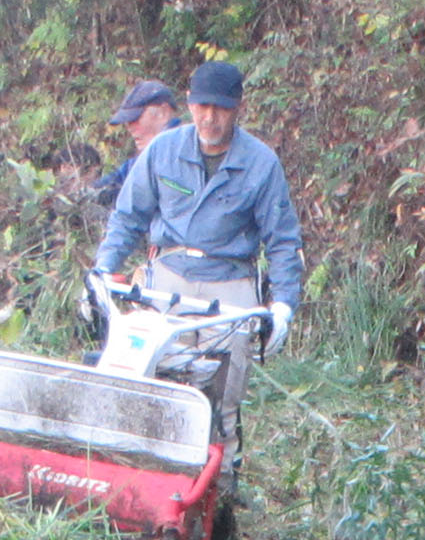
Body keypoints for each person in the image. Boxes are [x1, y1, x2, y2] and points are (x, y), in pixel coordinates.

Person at [94, 61, 303, 354]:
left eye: (221, 108)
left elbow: (282, 240)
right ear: (189, 101)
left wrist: (282, 306)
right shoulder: (162, 150)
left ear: (238, 107)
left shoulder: (262, 164)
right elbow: (128, 217)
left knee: (224, 377)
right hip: (169, 275)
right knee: (155, 365)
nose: (210, 117)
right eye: (202, 106)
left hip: (230, 279)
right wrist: (102, 269)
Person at [75, 79, 177, 219]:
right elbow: (119, 177)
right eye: (128, 122)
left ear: (163, 113)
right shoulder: (144, 157)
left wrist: (109, 196)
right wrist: (85, 193)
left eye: (135, 119)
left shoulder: (180, 153)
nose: (129, 127)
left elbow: (148, 197)